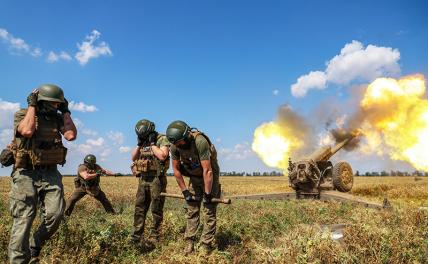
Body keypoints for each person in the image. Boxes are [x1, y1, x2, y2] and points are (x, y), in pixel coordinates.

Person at [9, 84, 77, 264]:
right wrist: (32, 106)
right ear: (41, 102)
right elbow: (27, 131)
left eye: (58, 104)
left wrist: (66, 111)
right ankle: (18, 261)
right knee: (24, 219)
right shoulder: (22, 115)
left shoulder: (58, 118)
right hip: (26, 173)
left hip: (51, 173)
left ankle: (35, 244)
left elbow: (70, 135)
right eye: (53, 103)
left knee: (56, 214)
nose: (55, 107)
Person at [166, 120, 220, 255]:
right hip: (194, 177)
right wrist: (185, 191)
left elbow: (207, 171)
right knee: (192, 209)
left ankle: (205, 245)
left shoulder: (200, 141)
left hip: (209, 177)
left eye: (179, 142)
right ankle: (190, 242)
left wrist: (208, 195)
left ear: (186, 136)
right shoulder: (174, 146)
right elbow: (177, 171)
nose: (177, 145)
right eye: (175, 144)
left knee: (209, 210)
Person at [130, 119, 170, 245]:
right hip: (143, 179)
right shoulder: (143, 140)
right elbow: (133, 157)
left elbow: (163, 156)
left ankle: (155, 235)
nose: (144, 137)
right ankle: (136, 236)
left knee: (156, 209)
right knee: (139, 208)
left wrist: (153, 143)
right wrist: (139, 144)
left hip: (157, 179)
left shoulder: (161, 139)